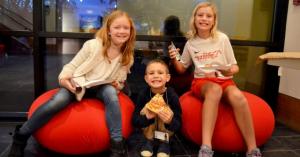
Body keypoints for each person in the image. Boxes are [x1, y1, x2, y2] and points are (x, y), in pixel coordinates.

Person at [8, 10, 136, 157]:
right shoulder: (93, 45)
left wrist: (117, 85)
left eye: (126, 28)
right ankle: (20, 137)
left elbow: (120, 81)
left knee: (111, 94)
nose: (121, 31)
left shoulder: (128, 55)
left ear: (130, 31)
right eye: (117, 27)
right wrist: (64, 80)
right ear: (108, 30)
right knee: (59, 100)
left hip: (101, 86)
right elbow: (71, 66)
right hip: (79, 83)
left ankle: (117, 146)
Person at [168, 2, 262, 157]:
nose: (204, 19)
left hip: (225, 80)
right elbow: (181, 69)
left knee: (238, 96)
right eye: (200, 15)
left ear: (214, 20)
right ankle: (206, 147)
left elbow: (235, 67)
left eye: (208, 16)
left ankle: (252, 149)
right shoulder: (191, 43)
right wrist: (174, 58)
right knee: (214, 90)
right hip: (202, 82)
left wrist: (226, 69)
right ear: (194, 18)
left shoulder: (222, 39)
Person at [132, 59, 182, 157]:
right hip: (147, 134)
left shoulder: (172, 96)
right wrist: (146, 117)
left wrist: (170, 121)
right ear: (146, 78)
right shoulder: (143, 94)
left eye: (160, 73)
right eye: (151, 73)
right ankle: (148, 141)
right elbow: (134, 120)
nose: (155, 75)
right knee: (147, 107)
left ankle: (164, 143)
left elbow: (179, 124)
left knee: (167, 108)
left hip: (166, 135)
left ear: (167, 77)